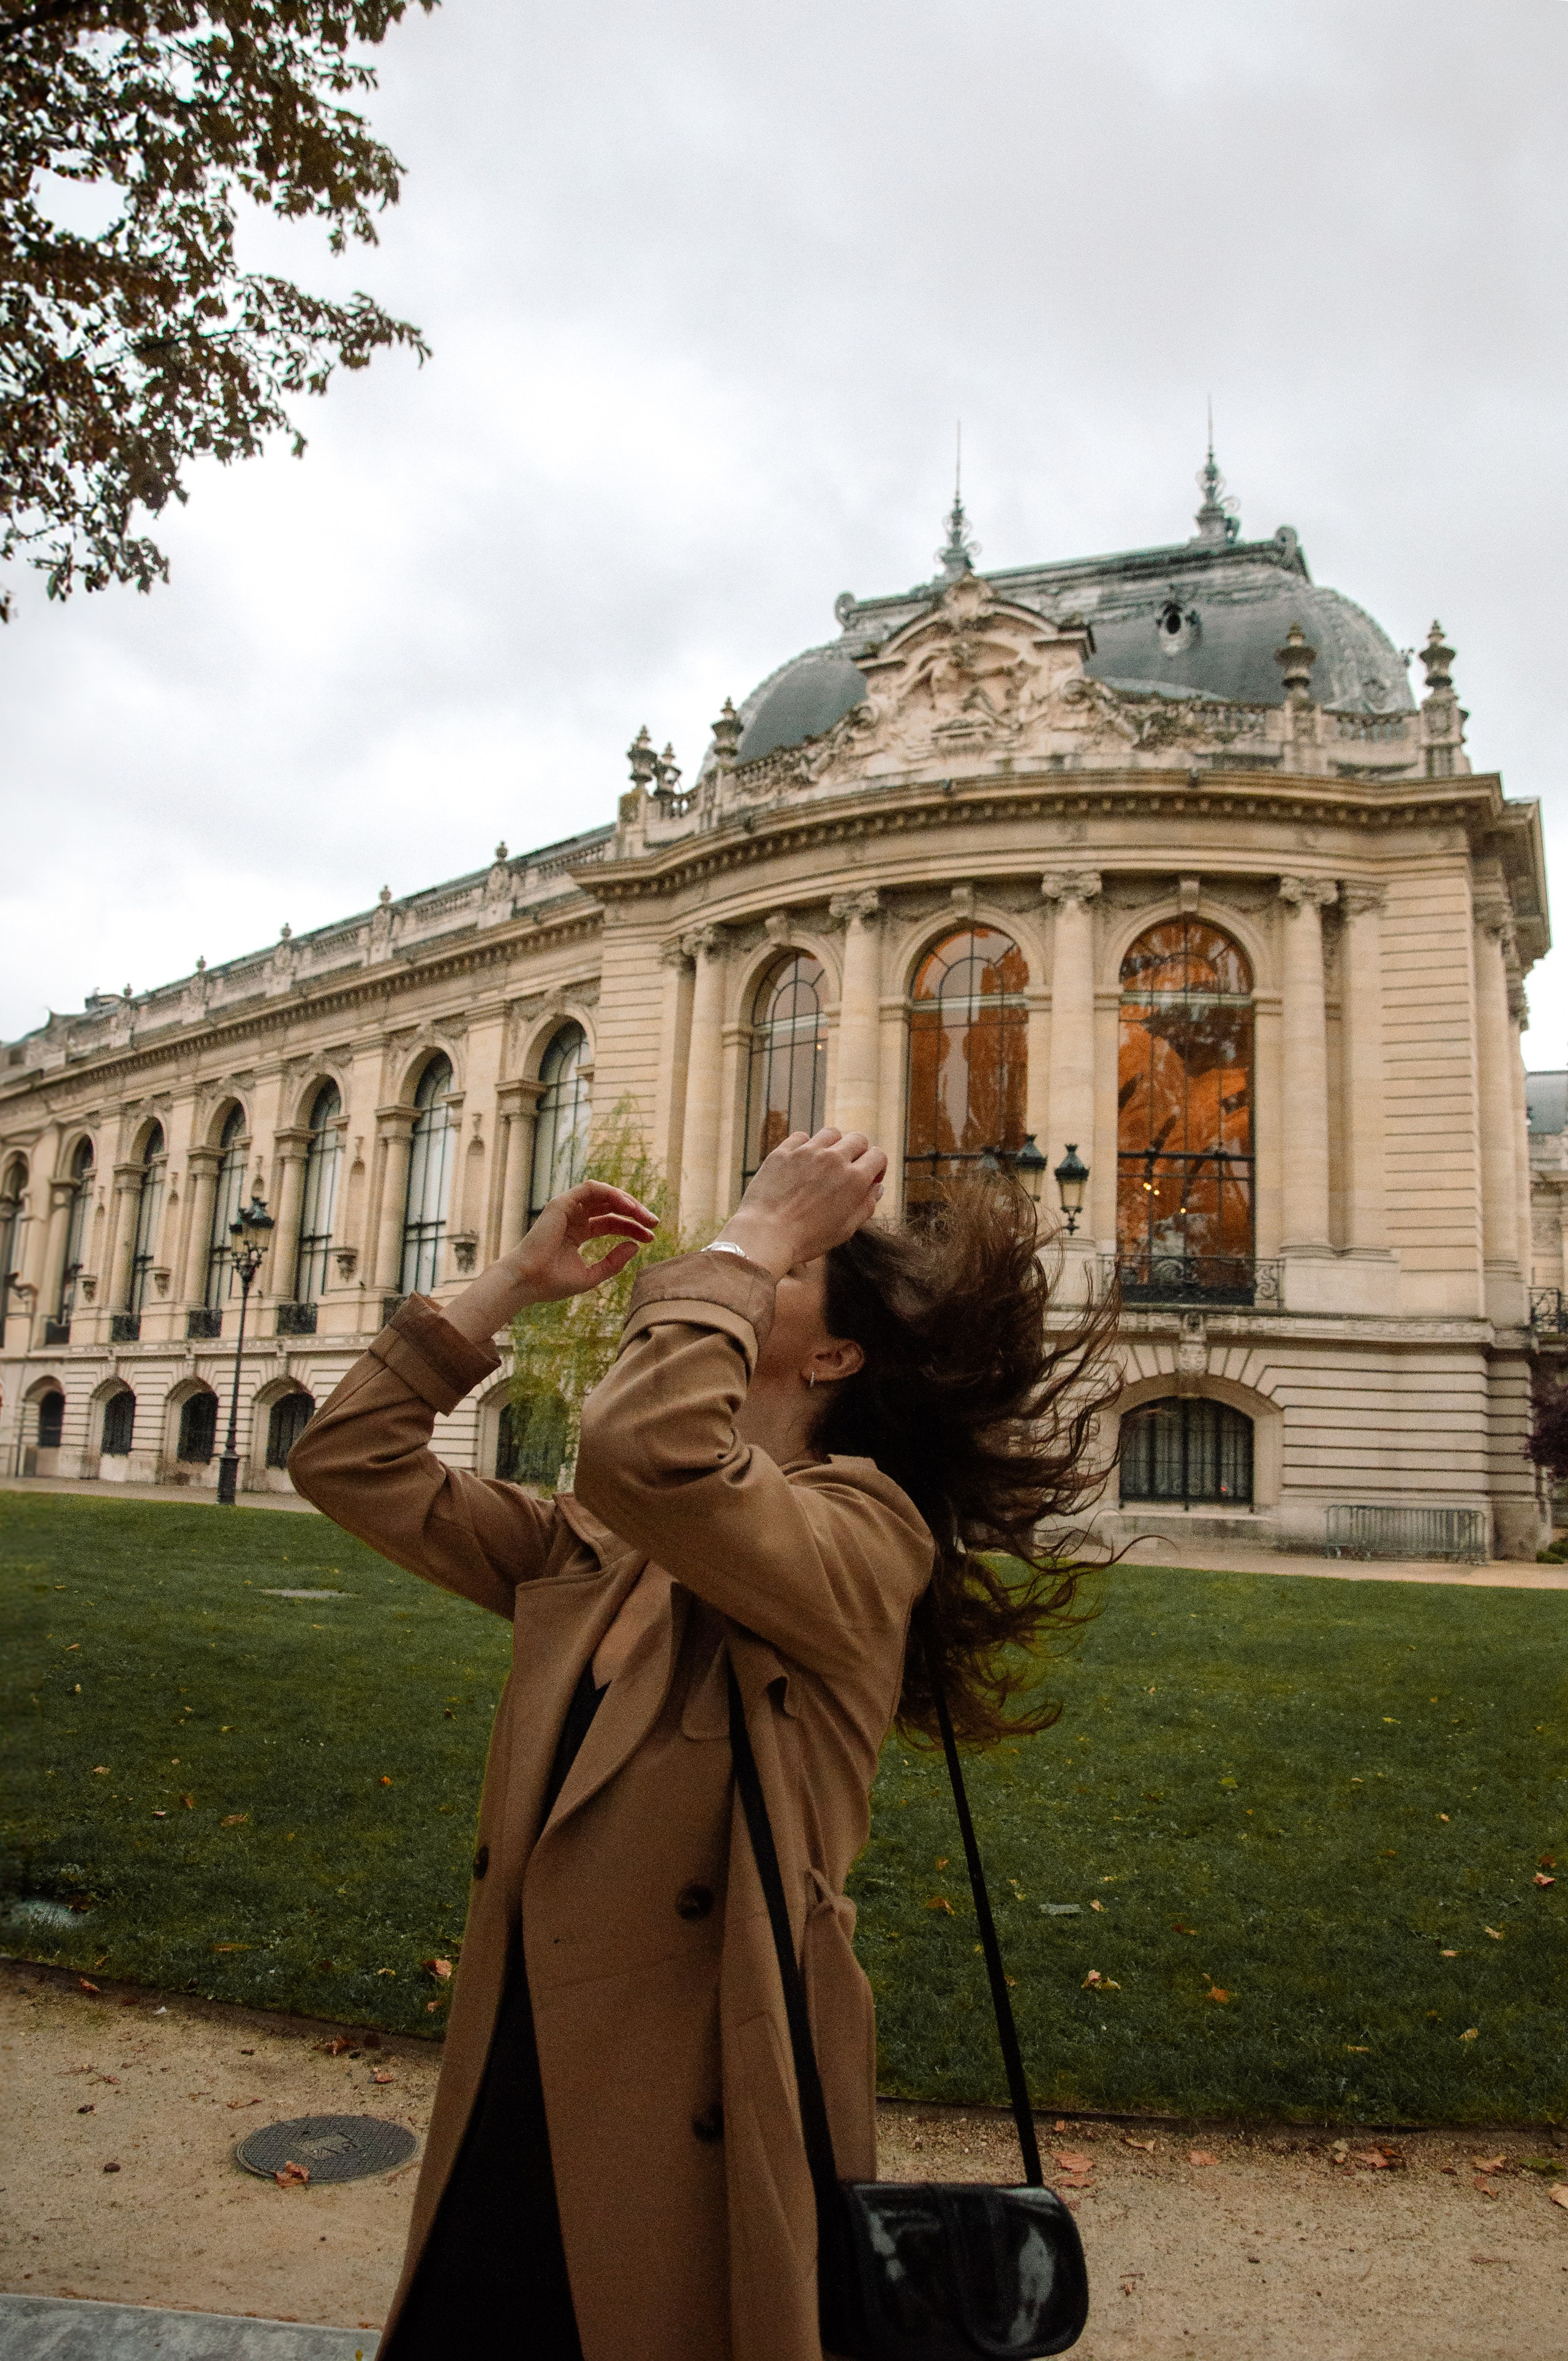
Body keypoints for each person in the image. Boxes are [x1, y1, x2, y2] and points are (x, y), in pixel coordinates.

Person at [288, 1124, 1115, 2361]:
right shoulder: (605, 1547)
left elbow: (651, 1450)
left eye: (785, 1268)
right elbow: (347, 1458)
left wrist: (757, 1232)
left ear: (834, 1352)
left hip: (695, 2088)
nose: (736, 1262)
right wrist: (509, 1282)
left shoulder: (864, 1535)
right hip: (521, 2070)